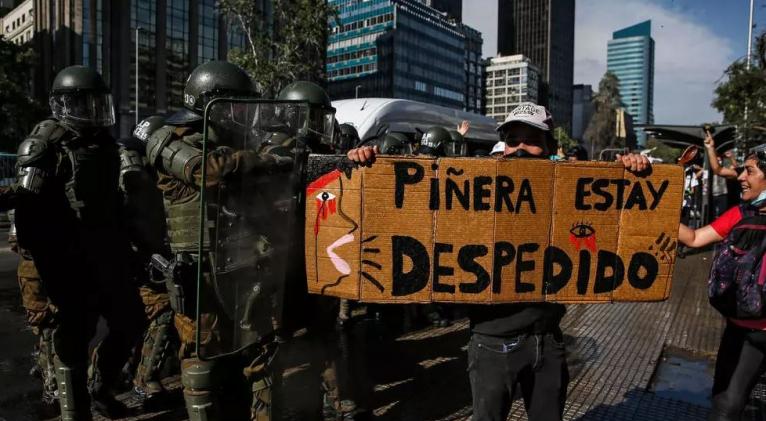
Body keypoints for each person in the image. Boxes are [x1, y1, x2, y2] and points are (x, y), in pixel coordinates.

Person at [346, 102, 650, 421]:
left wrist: (635, 174)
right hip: (491, 344)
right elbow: (405, 220)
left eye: (531, 140)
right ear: (503, 147)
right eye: (513, 140)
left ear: (549, 148)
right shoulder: (474, 193)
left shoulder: (569, 196)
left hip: (547, 341)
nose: (521, 148)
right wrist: (366, 171)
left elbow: (619, 225)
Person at [146, 60, 288, 421]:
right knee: (201, 359)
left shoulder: (237, 145)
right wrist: (264, 160)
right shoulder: (169, 141)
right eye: (237, 106)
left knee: (259, 356)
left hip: (241, 267)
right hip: (200, 277)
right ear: (211, 104)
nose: (243, 115)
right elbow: (207, 171)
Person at [13, 65, 146, 420]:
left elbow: (114, 204)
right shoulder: (46, 144)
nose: (94, 112)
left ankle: (100, 389)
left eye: (97, 104)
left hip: (104, 257)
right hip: (66, 260)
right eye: (85, 104)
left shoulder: (102, 144)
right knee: (72, 339)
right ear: (64, 105)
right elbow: (25, 203)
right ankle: (76, 412)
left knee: (131, 320)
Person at [677, 150, 766, 421]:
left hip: (755, 332)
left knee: (727, 404)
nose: (740, 176)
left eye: (749, 171)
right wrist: (653, 212)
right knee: (725, 402)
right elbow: (692, 238)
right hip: (739, 328)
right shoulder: (739, 213)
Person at [120, 115, 177, 407]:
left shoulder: (147, 171)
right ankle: (144, 381)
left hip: (148, 255)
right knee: (161, 313)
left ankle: (132, 372)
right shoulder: (132, 172)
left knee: (142, 319)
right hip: (134, 258)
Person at [8, 209, 58, 406]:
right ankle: (51, 383)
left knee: (56, 329)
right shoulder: (32, 186)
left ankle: (46, 369)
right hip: (37, 272)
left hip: (56, 267)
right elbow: (16, 242)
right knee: (48, 327)